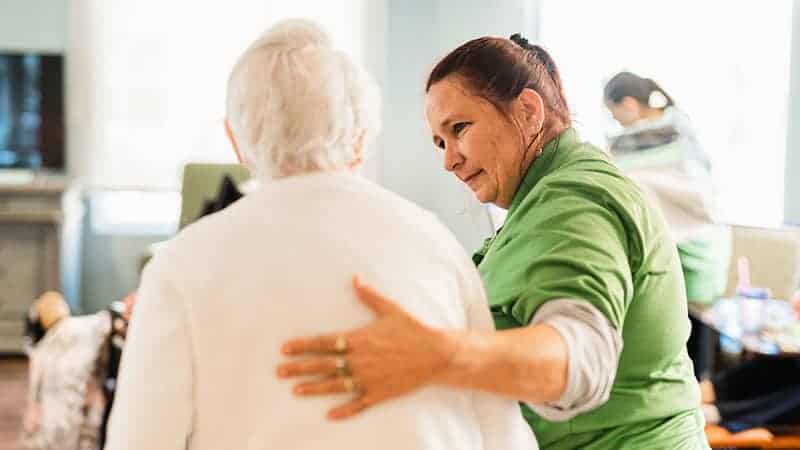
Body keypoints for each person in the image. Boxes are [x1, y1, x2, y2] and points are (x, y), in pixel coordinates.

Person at [104, 19, 535, 450]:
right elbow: (502, 433)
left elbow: (140, 441)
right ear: (361, 136)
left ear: (236, 142)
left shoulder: (181, 264)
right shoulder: (437, 245)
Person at [278, 34, 709, 449]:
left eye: (460, 128)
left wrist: (434, 356)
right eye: (439, 142)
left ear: (527, 110)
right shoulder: (539, 202)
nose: (449, 160)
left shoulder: (575, 199)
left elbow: (582, 358)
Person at [604, 71, 731, 379]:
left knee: (692, 332)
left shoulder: (672, 132)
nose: (616, 123)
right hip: (680, 241)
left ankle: (693, 398)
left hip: (696, 242)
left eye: (614, 113)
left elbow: (685, 187)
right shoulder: (657, 132)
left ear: (630, 105)